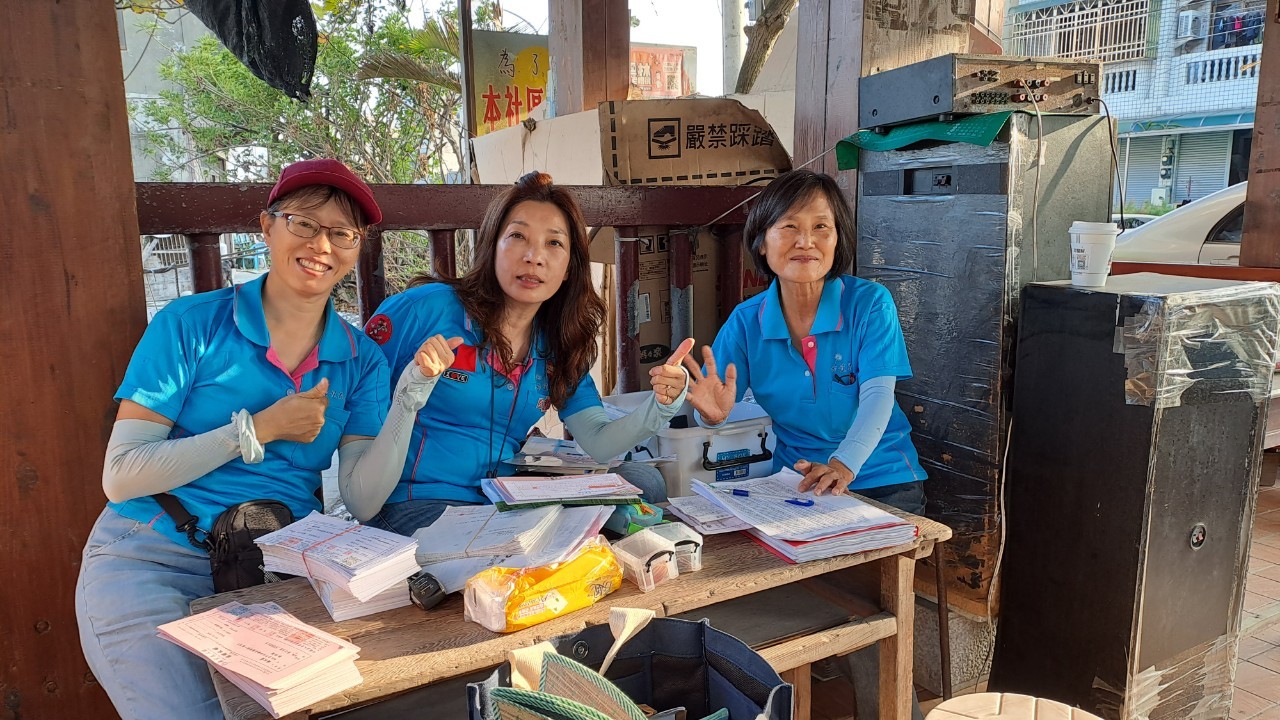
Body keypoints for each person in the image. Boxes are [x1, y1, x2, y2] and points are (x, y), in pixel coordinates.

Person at [75, 159, 446, 720]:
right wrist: (256, 430)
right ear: (267, 227)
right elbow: (121, 475)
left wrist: (409, 399)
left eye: (342, 233)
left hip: (273, 568)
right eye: (303, 223)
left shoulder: (361, 359)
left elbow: (363, 498)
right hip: (154, 558)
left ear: (356, 248)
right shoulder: (192, 324)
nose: (321, 244)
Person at [676, 169, 928, 720]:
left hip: (883, 480)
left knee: (866, 616)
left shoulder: (870, 304)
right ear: (762, 242)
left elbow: (878, 397)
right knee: (771, 604)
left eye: (821, 227)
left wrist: (845, 464)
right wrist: (712, 414)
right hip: (799, 488)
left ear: (838, 241)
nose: (805, 241)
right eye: (788, 227)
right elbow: (718, 400)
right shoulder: (747, 321)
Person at [354, 172, 690, 535]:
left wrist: (661, 406)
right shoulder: (424, 310)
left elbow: (598, 440)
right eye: (517, 236)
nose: (534, 257)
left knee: (643, 482)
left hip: (503, 498)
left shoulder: (558, 340)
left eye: (554, 243)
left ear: (568, 268)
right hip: (416, 501)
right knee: (519, 544)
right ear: (492, 246)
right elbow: (356, 390)